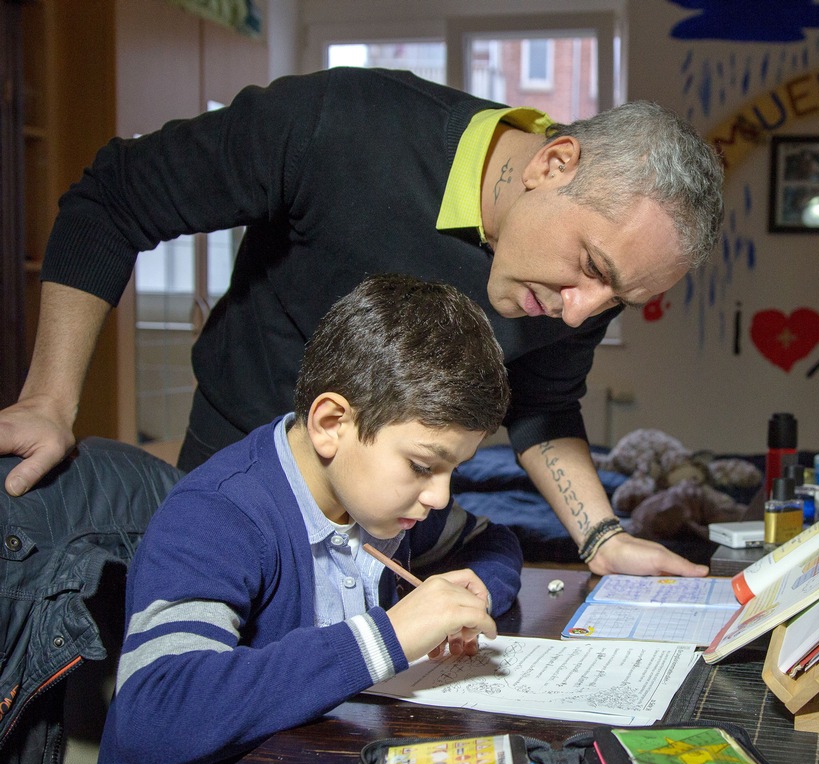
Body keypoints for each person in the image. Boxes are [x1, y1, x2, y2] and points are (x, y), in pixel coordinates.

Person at [0, 67, 724, 578]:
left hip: (389, 511)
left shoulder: (579, 295)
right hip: (239, 466)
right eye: (593, 267)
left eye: (619, 298)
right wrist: (50, 401)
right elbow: (114, 199)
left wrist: (599, 537)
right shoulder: (342, 125)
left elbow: (541, 401)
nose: (584, 310)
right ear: (553, 163)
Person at [90, 274, 521, 764]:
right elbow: (155, 717)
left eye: (455, 469)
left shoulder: (385, 503)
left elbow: (496, 542)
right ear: (331, 423)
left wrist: (472, 588)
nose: (438, 496)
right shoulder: (218, 515)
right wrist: (387, 637)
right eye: (422, 464)